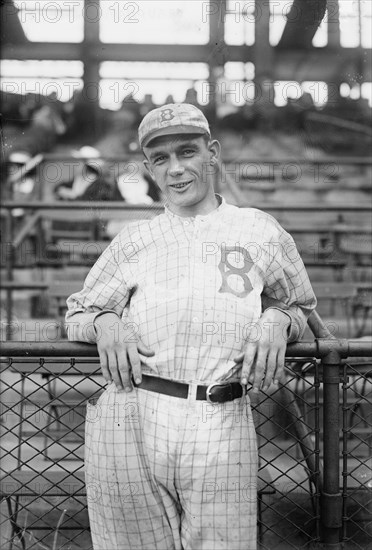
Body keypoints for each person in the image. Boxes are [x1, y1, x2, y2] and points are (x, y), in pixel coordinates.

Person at [65, 103, 317, 550]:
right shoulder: (134, 239)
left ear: (212, 153)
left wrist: (278, 319)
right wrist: (106, 322)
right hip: (133, 413)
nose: (176, 169)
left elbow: (302, 308)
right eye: (161, 159)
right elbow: (78, 313)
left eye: (187, 152)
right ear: (149, 169)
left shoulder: (259, 230)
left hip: (220, 413)